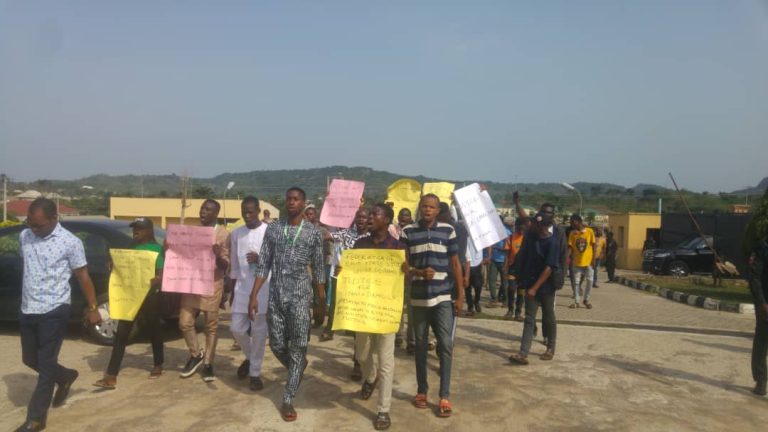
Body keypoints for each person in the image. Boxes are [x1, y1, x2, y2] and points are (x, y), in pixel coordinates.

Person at [16, 198, 101, 432]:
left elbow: (83, 276)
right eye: (31, 224)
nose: (34, 229)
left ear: (55, 219)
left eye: (39, 225)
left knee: (45, 364)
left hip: (55, 308)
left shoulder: (70, 242)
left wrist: (93, 308)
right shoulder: (25, 237)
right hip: (28, 307)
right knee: (29, 359)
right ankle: (64, 377)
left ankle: (35, 419)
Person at [249, 187, 326, 422]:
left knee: (299, 346)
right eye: (288, 199)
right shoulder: (274, 229)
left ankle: (288, 398)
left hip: (301, 298)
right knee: (278, 345)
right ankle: (297, 366)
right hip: (276, 297)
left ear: (304, 203)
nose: (291, 203)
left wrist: (321, 303)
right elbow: (263, 264)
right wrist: (254, 295)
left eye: (296, 199)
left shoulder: (313, 233)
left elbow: (320, 271)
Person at [400, 194, 463, 418]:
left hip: (443, 297)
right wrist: (417, 272)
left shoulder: (448, 231)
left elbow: (455, 263)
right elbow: (403, 266)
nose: (427, 210)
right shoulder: (407, 232)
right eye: (424, 206)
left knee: (445, 344)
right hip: (418, 299)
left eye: (431, 207)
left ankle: (444, 395)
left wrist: (461, 294)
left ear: (438, 210)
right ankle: (421, 391)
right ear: (420, 209)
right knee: (419, 347)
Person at [345, 203, 407, 430]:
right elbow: (352, 272)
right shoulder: (360, 244)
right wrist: (344, 271)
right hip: (364, 309)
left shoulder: (398, 247)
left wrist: (407, 271)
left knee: (386, 360)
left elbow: (404, 279)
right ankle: (370, 378)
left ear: (387, 220)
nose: (369, 218)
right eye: (369, 214)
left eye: (374, 214)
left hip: (386, 312)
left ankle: (383, 410)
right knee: (362, 354)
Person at [93, 217, 165, 389]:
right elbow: (123, 269)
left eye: (139, 229)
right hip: (131, 297)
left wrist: (155, 280)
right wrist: (113, 265)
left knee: (154, 330)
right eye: (134, 229)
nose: (135, 232)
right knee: (121, 334)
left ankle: (158, 364)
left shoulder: (158, 250)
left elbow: (162, 274)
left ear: (149, 231)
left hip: (150, 297)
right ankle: (111, 376)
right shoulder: (131, 248)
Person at [178, 199, 230, 382]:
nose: (203, 212)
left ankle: (208, 363)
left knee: (210, 326)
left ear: (216, 214)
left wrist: (216, 255)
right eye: (202, 208)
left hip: (212, 284)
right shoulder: (192, 231)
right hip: (192, 283)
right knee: (184, 322)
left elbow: (226, 265)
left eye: (208, 210)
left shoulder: (223, 234)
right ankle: (195, 354)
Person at [508, 209, 560, 365]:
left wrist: (535, 288)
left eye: (536, 225)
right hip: (531, 283)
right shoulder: (531, 238)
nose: (531, 226)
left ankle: (550, 348)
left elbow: (549, 268)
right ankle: (523, 353)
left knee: (548, 317)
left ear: (543, 226)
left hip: (546, 287)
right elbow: (523, 256)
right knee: (529, 319)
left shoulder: (553, 242)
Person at [229, 196, 270, 391]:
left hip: (263, 290)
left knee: (260, 333)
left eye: (251, 211)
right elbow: (234, 265)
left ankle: (255, 373)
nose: (247, 215)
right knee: (236, 329)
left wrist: (261, 259)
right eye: (244, 211)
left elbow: (277, 262)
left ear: (259, 211)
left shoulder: (270, 232)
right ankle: (251, 357)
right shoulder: (236, 234)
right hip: (242, 288)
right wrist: (231, 290)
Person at [747, 234, 768, 396]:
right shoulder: (762, 249)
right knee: (762, 340)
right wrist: (762, 303)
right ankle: (761, 380)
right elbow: (754, 278)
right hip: (765, 303)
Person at [567, 214, 596, 309]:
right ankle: (576, 302)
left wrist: (594, 259)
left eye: (572, 222)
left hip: (588, 262)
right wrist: (566, 258)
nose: (571, 224)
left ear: (578, 221)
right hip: (576, 262)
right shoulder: (572, 233)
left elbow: (594, 245)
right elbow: (570, 247)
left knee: (590, 281)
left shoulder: (589, 231)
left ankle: (586, 300)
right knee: (576, 283)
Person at [487, 218, 511, 307]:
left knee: (504, 282)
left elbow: (507, 248)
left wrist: (496, 248)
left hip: (504, 260)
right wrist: (489, 256)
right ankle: (494, 298)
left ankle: (506, 300)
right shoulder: (492, 232)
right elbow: (490, 244)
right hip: (494, 259)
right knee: (491, 280)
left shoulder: (507, 232)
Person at [504, 218, 526, 320]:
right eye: (520, 228)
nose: (522, 230)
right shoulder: (511, 238)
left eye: (523, 228)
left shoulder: (527, 238)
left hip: (523, 269)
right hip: (513, 267)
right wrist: (505, 267)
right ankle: (510, 310)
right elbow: (507, 253)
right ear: (516, 227)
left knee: (521, 291)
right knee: (511, 289)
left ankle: (518, 312)